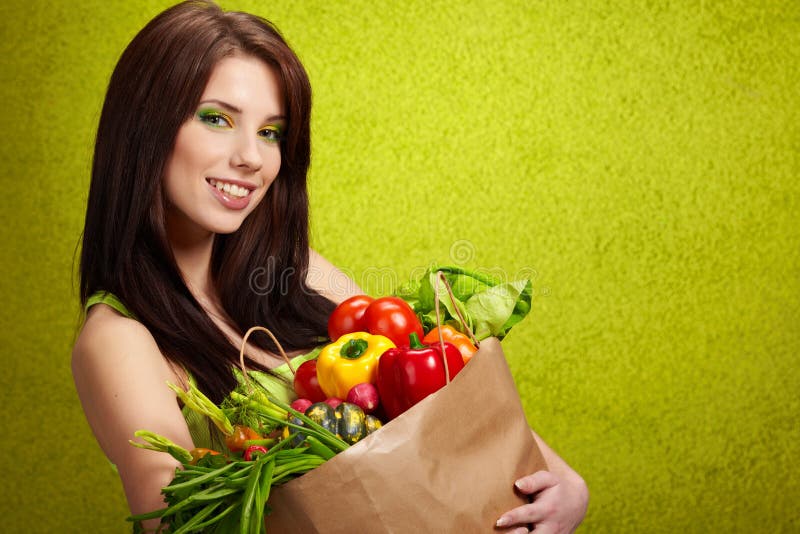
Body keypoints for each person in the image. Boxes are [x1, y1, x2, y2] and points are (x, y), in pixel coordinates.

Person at [71, 1, 588, 532]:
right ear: (144, 127)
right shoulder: (119, 340)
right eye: (217, 119)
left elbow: (420, 375)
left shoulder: (297, 269)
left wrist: (558, 478)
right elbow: (182, 524)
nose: (252, 157)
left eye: (271, 132)